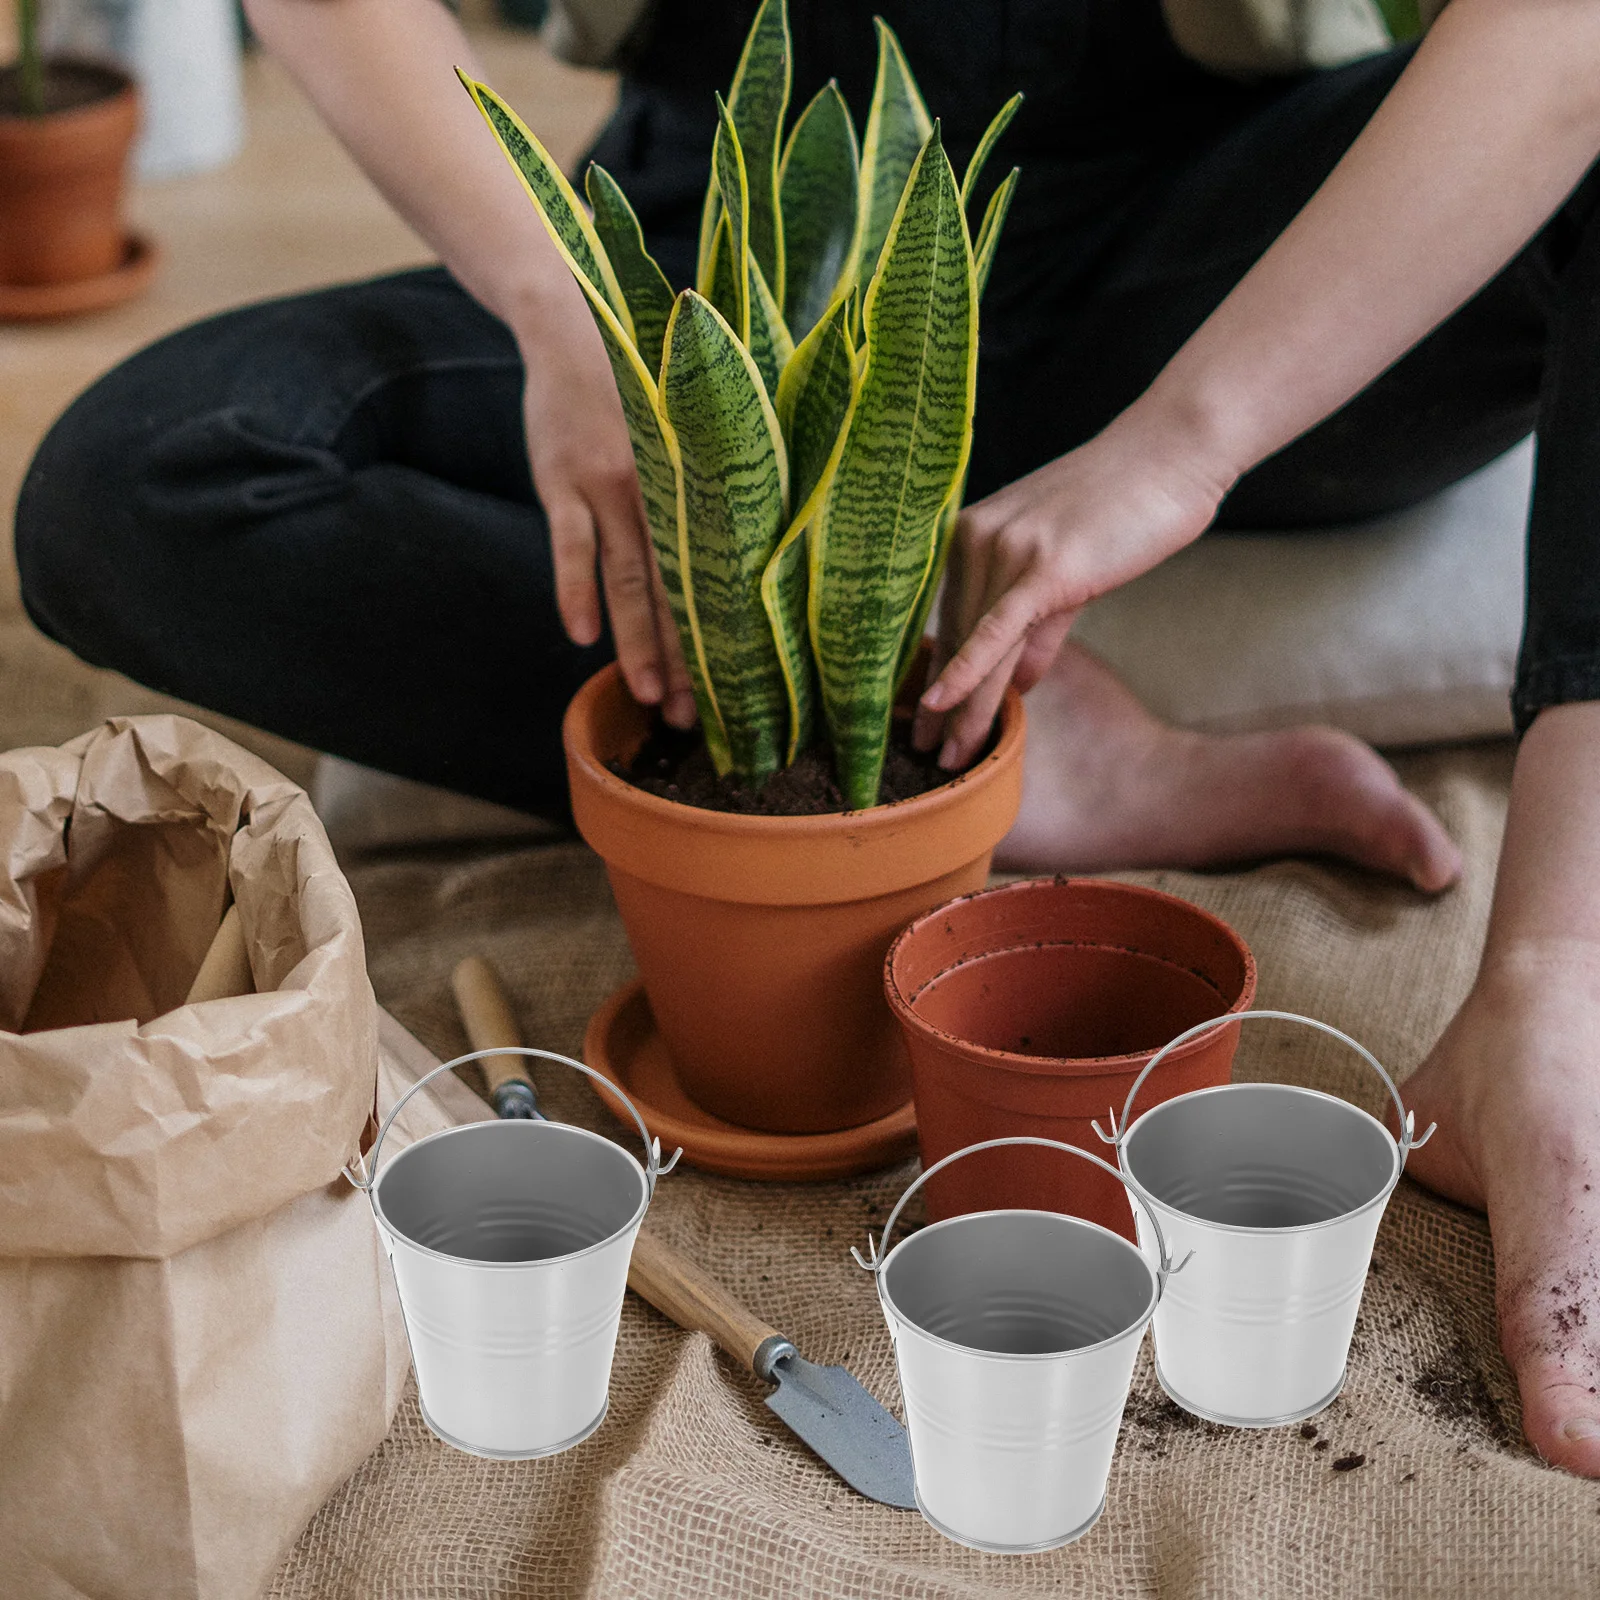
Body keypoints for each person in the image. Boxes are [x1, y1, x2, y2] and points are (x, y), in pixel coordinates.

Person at [14, 0, 1600, 1474]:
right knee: (143, 478)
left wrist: (1190, 442)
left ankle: (1553, 991)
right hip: (723, 253)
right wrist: (567, 312)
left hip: (1211, 241)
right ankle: (975, 728)